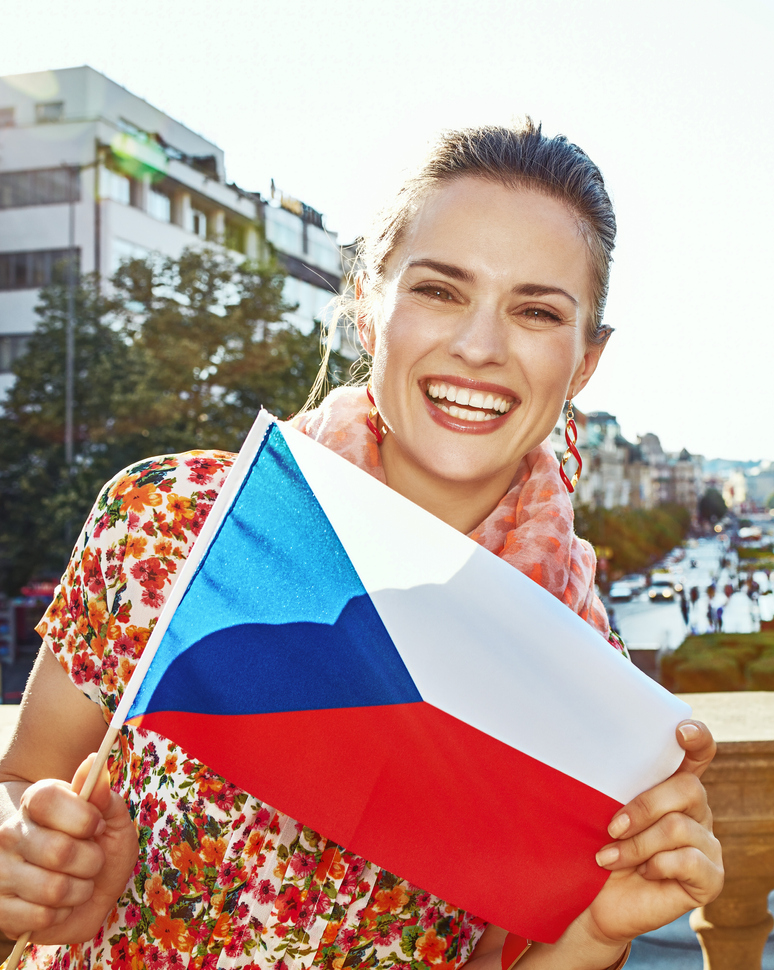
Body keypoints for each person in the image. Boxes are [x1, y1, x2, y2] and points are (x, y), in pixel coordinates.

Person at [0, 122, 723, 970]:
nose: (479, 347)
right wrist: (33, 855)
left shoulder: (578, 674)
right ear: (365, 306)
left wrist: (600, 930)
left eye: (535, 311)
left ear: (586, 361)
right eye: (439, 291)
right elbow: (25, 778)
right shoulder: (178, 523)